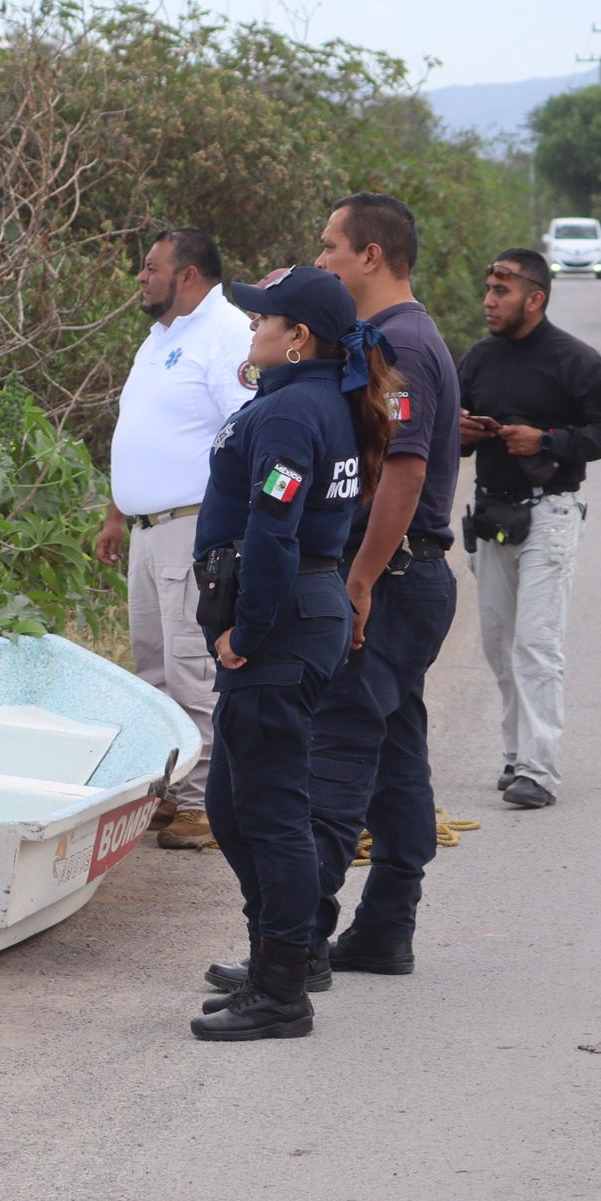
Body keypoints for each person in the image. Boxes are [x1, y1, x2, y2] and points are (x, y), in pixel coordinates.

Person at [209, 193, 462, 990]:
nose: (321, 262)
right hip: (401, 575)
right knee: (396, 754)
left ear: (371, 257)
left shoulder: (400, 341)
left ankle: (296, 943)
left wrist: (360, 578)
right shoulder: (385, 341)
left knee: (333, 764)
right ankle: (385, 925)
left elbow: (407, 469)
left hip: (389, 573)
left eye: (330, 248)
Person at [189, 266, 397, 1041]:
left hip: (281, 623)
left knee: (268, 812)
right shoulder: (315, 400)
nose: (251, 328)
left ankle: (283, 987)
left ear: (297, 336)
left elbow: (274, 531)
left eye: (260, 318)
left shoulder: (291, 412)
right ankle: (279, 949)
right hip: (301, 613)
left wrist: (246, 629)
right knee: (235, 806)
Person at [93, 229, 257, 851]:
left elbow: (246, 430)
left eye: (150, 267)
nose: (141, 277)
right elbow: (140, 430)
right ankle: (171, 789)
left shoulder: (227, 335)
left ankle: (203, 804)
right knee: (153, 670)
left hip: (193, 527)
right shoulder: (161, 337)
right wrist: (117, 511)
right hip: (146, 529)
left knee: (192, 666)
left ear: (188, 275)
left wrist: (228, 531)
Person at [457, 249, 601, 809]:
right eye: (488, 289)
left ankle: (540, 770)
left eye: (501, 291)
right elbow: (448, 436)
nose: (488, 300)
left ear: (535, 298)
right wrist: (464, 433)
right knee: (498, 643)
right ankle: (514, 754)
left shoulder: (576, 361)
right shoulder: (479, 359)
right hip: (491, 514)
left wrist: (547, 440)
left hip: (550, 515)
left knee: (536, 643)